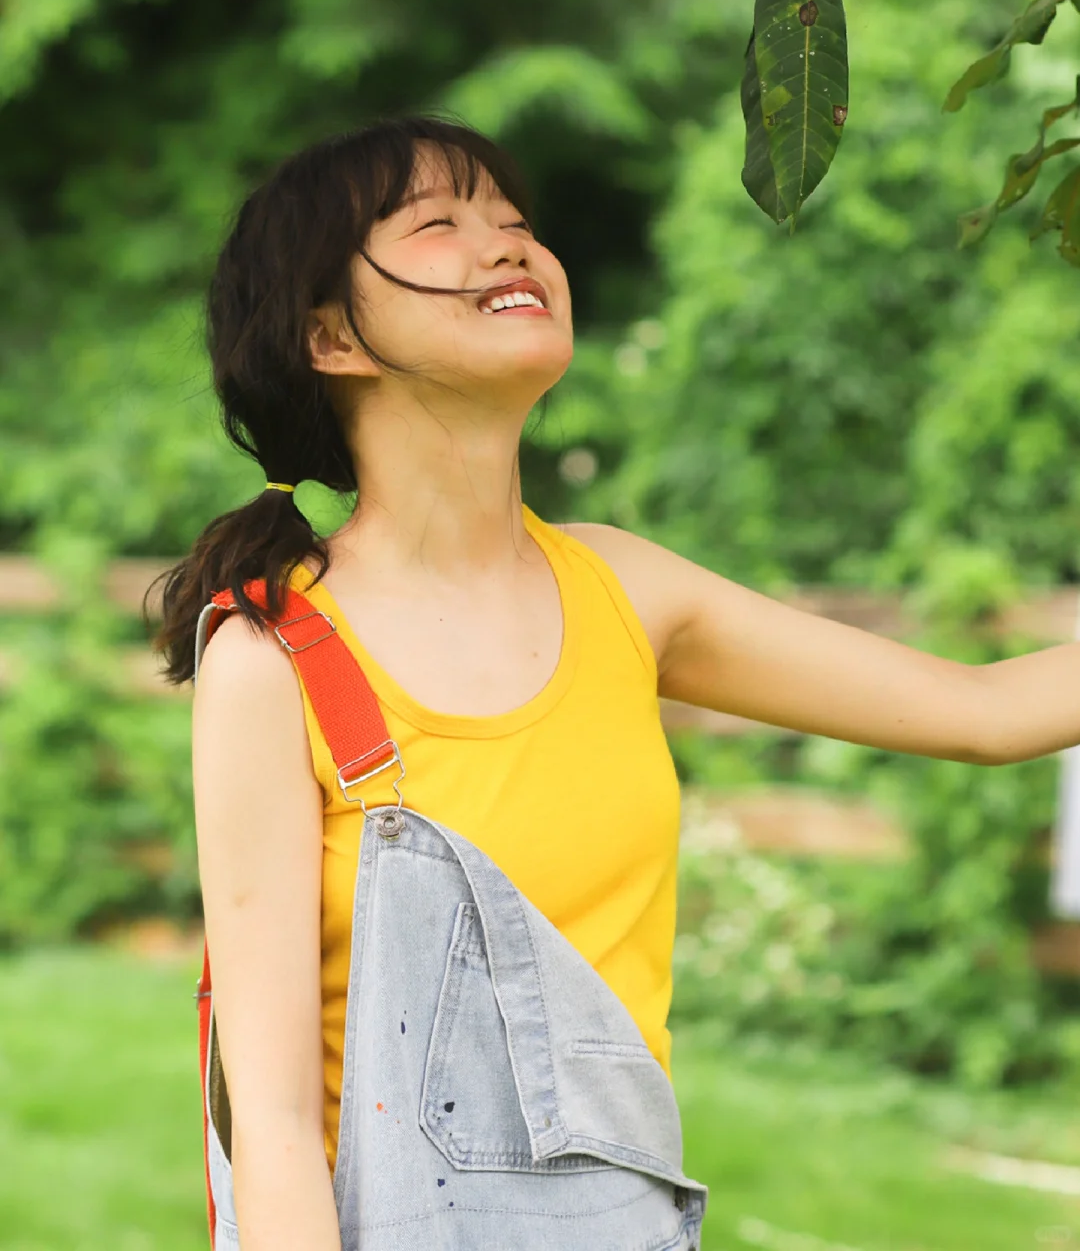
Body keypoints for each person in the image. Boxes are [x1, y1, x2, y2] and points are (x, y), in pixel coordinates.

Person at [152, 114, 1080, 1251]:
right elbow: (278, 1124)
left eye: (516, 220)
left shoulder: (624, 589)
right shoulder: (274, 656)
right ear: (331, 336)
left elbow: (985, 712)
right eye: (438, 224)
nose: (508, 246)